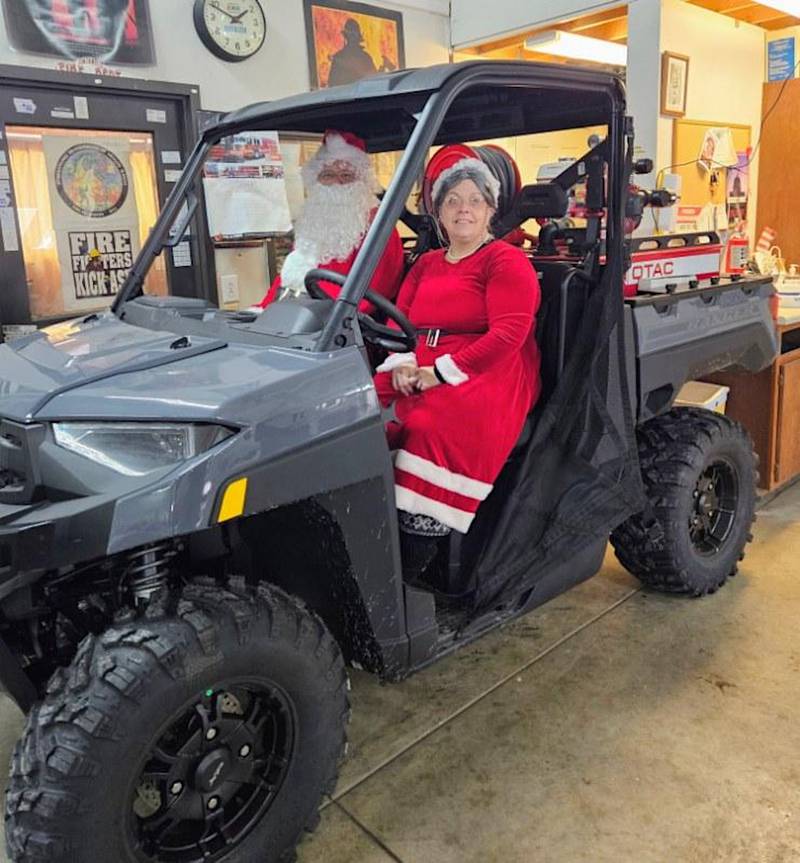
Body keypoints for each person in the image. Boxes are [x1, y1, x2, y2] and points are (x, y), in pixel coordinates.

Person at [373, 157, 542, 585]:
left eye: (474, 200)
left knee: (428, 425)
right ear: (439, 210)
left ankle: (411, 561)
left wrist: (441, 372)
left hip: (488, 367)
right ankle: (367, 523)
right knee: (359, 408)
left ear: (490, 209)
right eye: (452, 200)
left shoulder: (504, 261)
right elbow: (398, 321)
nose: (463, 208)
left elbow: (509, 334)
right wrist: (402, 363)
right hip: (421, 359)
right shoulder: (427, 263)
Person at [257, 130, 403, 313]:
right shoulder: (313, 222)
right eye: (328, 175)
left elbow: (374, 293)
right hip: (301, 314)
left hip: (344, 321)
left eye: (346, 176)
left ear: (362, 181)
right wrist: (264, 309)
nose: (337, 183)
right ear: (316, 180)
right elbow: (288, 277)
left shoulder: (378, 226)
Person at [327, 19, 377, 87]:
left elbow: (374, 81)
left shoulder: (366, 58)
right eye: (350, 35)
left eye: (353, 35)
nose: (352, 38)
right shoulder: (338, 57)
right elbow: (332, 84)